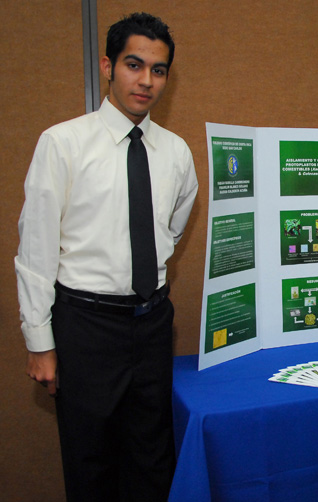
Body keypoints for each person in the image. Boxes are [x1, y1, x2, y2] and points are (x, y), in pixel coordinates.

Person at [16, 12, 199, 501]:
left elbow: (171, 230)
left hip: (153, 321)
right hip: (85, 327)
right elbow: (35, 249)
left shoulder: (176, 152)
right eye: (134, 65)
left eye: (158, 70)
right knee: (90, 461)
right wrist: (40, 341)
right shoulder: (62, 143)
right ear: (107, 66)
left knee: (153, 459)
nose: (146, 81)